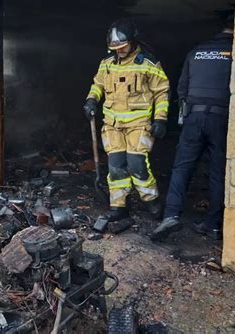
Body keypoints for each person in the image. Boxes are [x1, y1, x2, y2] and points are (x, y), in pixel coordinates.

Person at [150, 18, 234, 241]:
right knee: (218, 172)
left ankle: (171, 215)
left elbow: (181, 88)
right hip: (221, 117)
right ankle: (213, 225)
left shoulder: (197, 51)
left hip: (194, 116)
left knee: (181, 168)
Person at [83, 19, 170, 223]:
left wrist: (160, 119)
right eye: (116, 48)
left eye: (123, 47)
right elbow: (98, 85)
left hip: (139, 124)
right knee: (115, 166)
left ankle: (151, 200)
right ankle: (118, 205)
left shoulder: (148, 64)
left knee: (137, 164)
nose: (119, 51)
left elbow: (162, 93)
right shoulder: (107, 63)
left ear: (132, 41)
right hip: (112, 124)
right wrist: (91, 100)